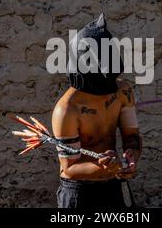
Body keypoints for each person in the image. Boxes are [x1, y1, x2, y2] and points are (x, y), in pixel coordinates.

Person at [52, 14, 142, 208]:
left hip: (114, 186)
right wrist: (106, 168)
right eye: (102, 84)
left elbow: (132, 135)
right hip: (79, 194)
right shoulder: (66, 110)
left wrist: (131, 155)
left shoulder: (122, 91)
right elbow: (69, 168)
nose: (108, 90)